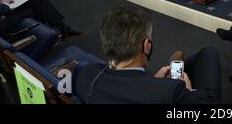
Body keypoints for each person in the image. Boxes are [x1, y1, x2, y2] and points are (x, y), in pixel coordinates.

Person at [75, 6, 222, 104]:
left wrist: (152, 81)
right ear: (146, 46)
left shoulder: (87, 75)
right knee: (209, 53)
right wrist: (189, 91)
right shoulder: (170, 92)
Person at [0, 0, 86, 40]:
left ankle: (63, 28)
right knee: (35, 8)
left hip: (0, 10)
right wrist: (4, 4)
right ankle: (50, 37)